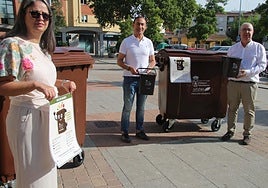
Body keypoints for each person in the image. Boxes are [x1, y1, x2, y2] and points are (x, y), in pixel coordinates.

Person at [0, 0, 76, 187]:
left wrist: (63, 83)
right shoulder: (12, 44)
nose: (41, 18)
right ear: (23, 15)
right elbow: (3, 86)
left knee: (47, 175)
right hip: (27, 119)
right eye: (35, 13)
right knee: (32, 179)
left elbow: (44, 81)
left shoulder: (42, 49)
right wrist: (35, 85)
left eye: (45, 15)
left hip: (49, 118)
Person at [221, 22, 267, 145]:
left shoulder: (259, 47)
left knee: (249, 110)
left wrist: (247, 72)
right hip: (234, 83)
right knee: (232, 109)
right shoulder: (233, 48)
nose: (247, 32)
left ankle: (247, 134)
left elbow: (262, 65)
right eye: (244, 30)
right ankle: (230, 131)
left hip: (249, 83)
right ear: (240, 32)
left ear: (253, 32)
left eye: (249, 30)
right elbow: (228, 65)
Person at [117, 16, 156, 143]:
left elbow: (152, 60)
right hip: (129, 79)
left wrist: (149, 68)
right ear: (133, 25)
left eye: (143, 25)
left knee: (141, 107)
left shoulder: (148, 42)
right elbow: (119, 60)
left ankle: (139, 130)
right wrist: (128, 68)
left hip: (144, 79)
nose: (140, 27)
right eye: (138, 24)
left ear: (146, 26)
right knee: (128, 107)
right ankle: (125, 131)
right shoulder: (127, 42)